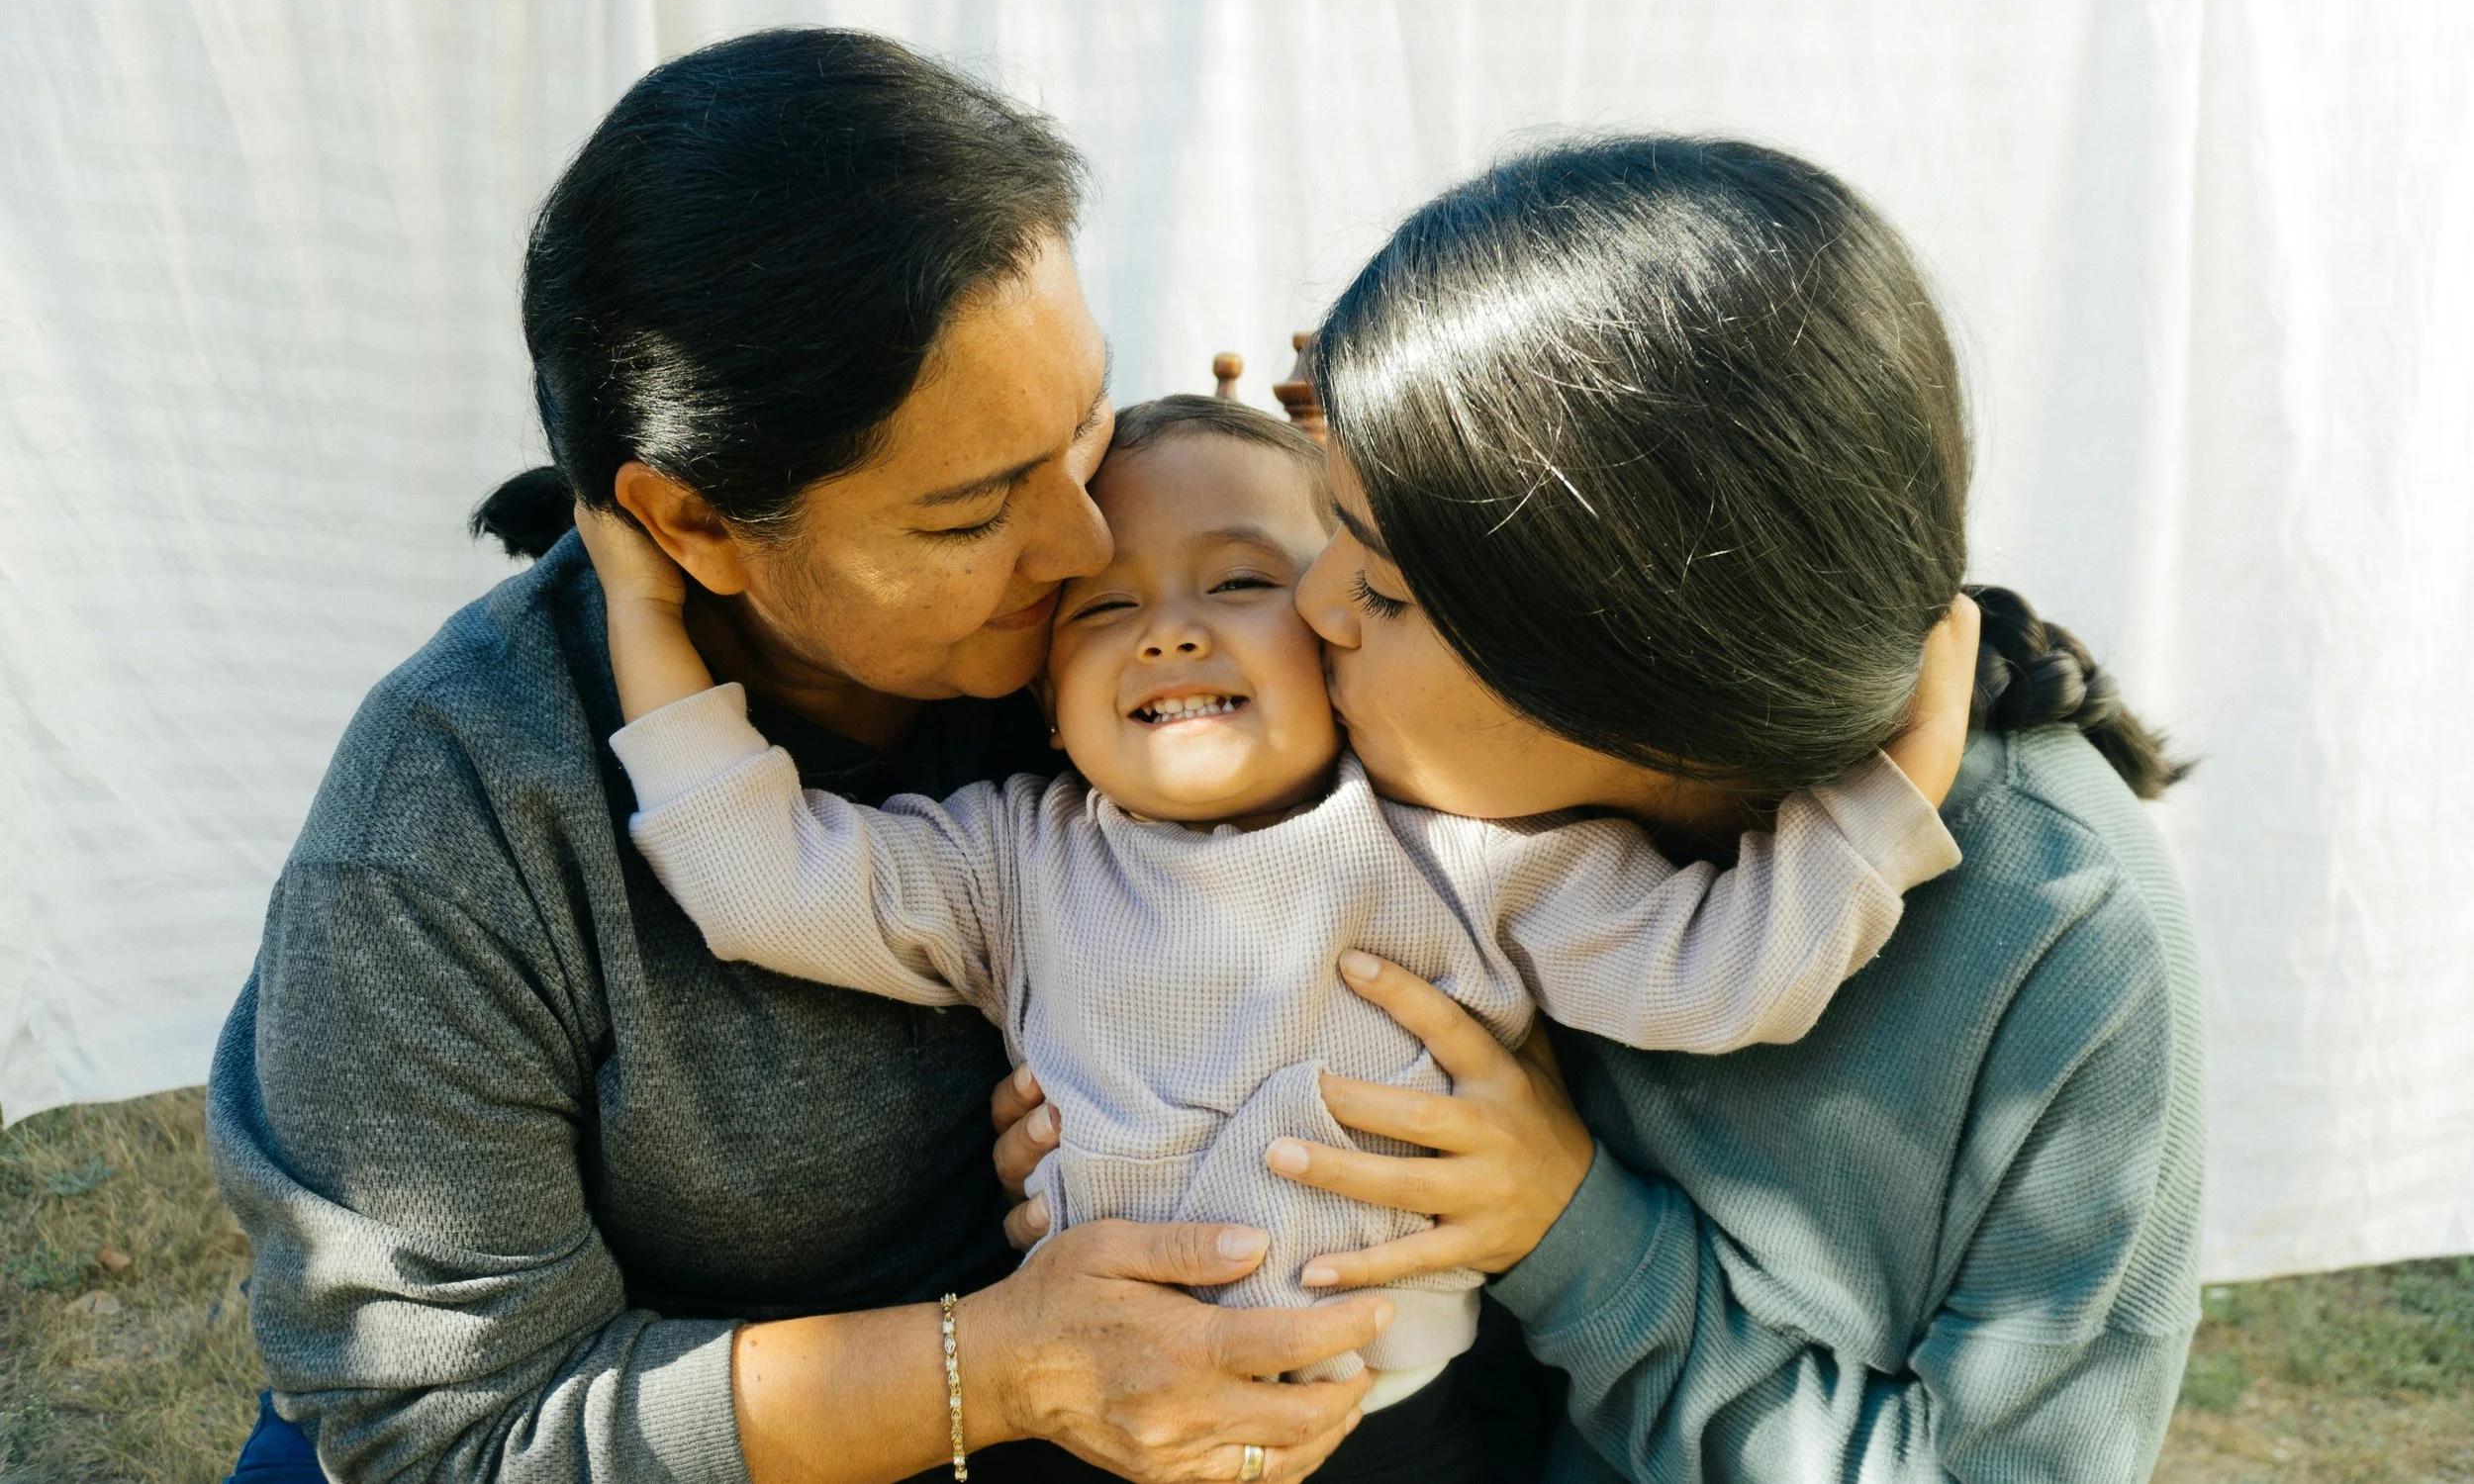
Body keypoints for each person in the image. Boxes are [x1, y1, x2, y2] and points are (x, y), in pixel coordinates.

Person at [208, 29, 1400, 1484]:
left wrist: (1538, 1172)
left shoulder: (1153, 618)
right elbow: (449, 1432)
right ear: (695, 525)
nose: (1085, 544)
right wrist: (996, 1362)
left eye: (1081, 421)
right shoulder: (447, 833)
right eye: (971, 515)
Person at [997, 137, 2205, 1481]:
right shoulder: (1383, 788)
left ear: (1627, 656)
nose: (1316, 608)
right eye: (1331, 528)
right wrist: (1141, 1131)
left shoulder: (2057, 932)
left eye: (1382, 587)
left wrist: (1569, 1229)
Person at [571, 393, 1978, 1481]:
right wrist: (642, 609)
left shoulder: (1467, 851)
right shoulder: (1012, 861)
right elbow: (757, 876)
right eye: (1105, 606)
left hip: (1392, 1433)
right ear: (1044, 695)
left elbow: (1725, 974)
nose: (1169, 632)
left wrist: (1898, 778)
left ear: (1342, 619)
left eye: (1239, 582)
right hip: (1082, 1427)